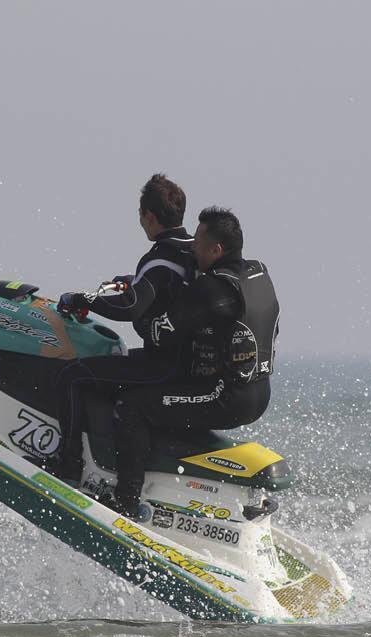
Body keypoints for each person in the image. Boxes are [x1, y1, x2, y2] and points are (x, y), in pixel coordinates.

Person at [104, 206, 280, 517]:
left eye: (197, 243)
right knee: (168, 404)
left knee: (131, 407)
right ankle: (176, 494)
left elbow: (159, 332)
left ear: (217, 249)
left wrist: (139, 301)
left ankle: (125, 502)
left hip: (225, 398)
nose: (191, 247)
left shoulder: (210, 289)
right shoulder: (258, 272)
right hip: (260, 394)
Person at [50, 174, 195, 485]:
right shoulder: (194, 250)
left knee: (71, 377)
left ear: (150, 216)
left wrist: (84, 300)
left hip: (165, 366)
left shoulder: (159, 259)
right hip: (187, 361)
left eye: (140, 216)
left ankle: (69, 469)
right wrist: (138, 282)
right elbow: (167, 291)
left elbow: (130, 307)